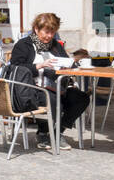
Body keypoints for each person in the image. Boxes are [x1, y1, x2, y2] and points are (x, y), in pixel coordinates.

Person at [8, 12, 90, 150]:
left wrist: (71, 65)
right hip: (31, 88)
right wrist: (39, 66)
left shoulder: (56, 45)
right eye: (46, 32)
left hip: (58, 86)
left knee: (81, 98)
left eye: (52, 32)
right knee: (52, 98)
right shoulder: (24, 45)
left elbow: (68, 62)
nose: (49, 36)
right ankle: (45, 133)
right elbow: (15, 68)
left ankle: (57, 131)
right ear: (36, 29)